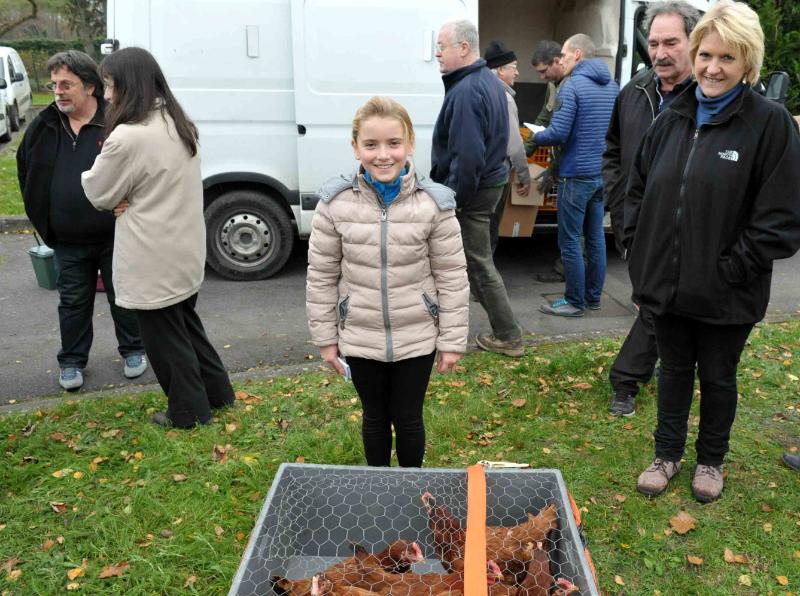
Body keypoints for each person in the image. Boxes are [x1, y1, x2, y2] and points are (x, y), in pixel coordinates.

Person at [626, 0, 800, 502]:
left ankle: (711, 461)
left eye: (727, 57)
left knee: (719, 378)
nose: (713, 67)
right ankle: (666, 454)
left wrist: (730, 269)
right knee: (673, 371)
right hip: (666, 285)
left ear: (748, 62)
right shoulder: (672, 116)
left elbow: (781, 219)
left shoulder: (770, 124)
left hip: (728, 291)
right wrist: (637, 250)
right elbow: (638, 189)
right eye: (705, 54)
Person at [306, 96, 468, 467]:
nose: (383, 155)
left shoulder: (434, 205)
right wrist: (326, 339)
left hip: (417, 336)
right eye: (371, 144)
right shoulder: (334, 204)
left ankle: (413, 489)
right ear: (355, 147)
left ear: (410, 144)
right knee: (375, 416)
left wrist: (452, 340)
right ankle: (378, 486)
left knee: (409, 418)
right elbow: (321, 275)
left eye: (394, 143)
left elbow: (452, 276)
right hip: (360, 335)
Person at [82, 47, 235, 428]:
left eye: (111, 85)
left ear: (130, 85)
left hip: (151, 252)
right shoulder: (177, 122)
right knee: (185, 324)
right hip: (183, 246)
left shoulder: (128, 137)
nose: (107, 95)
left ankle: (188, 412)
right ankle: (218, 393)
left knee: (165, 340)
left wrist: (122, 197)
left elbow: (98, 190)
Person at [17, 50, 146, 392]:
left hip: (115, 235)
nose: (57, 92)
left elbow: (140, 168)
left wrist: (132, 200)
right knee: (72, 303)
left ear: (89, 87)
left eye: (66, 84)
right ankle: (72, 361)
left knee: (123, 297)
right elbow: (25, 168)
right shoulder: (45, 125)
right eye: (54, 84)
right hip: (67, 240)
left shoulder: (116, 122)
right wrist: (42, 215)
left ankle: (134, 350)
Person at [602, 1, 700, 417]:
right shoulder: (635, 91)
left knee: (659, 305)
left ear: (695, 42)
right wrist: (619, 204)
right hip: (637, 225)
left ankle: (626, 379)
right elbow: (613, 150)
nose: (660, 53)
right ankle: (665, 366)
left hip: (686, 230)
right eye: (654, 43)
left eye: (671, 43)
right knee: (654, 304)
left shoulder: (709, 97)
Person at [431, 19, 523, 358]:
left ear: (464, 47)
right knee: (476, 261)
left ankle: (509, 335)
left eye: (442, 46)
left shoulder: (468, 90)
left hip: (474, 191)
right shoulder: (487, 81)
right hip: (488, 185)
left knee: (479, 263)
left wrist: (454, 200)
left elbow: (468, 157)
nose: (437, 53)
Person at [530, 34, 618, 317]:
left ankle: (574, 301)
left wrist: (535, 135)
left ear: (577, 55)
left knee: (569, 240)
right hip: (600, 174)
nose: (562, 60)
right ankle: (593, 298)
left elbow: (558, 133)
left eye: (565, 55)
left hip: (575, 175)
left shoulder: (572, 87)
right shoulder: (613, 87)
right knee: (596, 239)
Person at [484, 40, 531, 253]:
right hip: (497, 174)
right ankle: (486, 273)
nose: (517, 72)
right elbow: (514, 145)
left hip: (480, 175)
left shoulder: (479, 91)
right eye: (514, 67)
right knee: (490, 229)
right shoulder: (504, 98)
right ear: (500, 70)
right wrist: (524, 176)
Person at [528, 40, 568, 284]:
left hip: (573, 167)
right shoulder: (555, 85)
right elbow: (544, 116)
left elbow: (567, 136)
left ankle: (568, 274)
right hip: (564, 162)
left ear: (557, 61)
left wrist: (554, 169)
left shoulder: (572, 87)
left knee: (574, 228)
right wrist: (526, 150)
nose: (542, 77)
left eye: (544, 71)